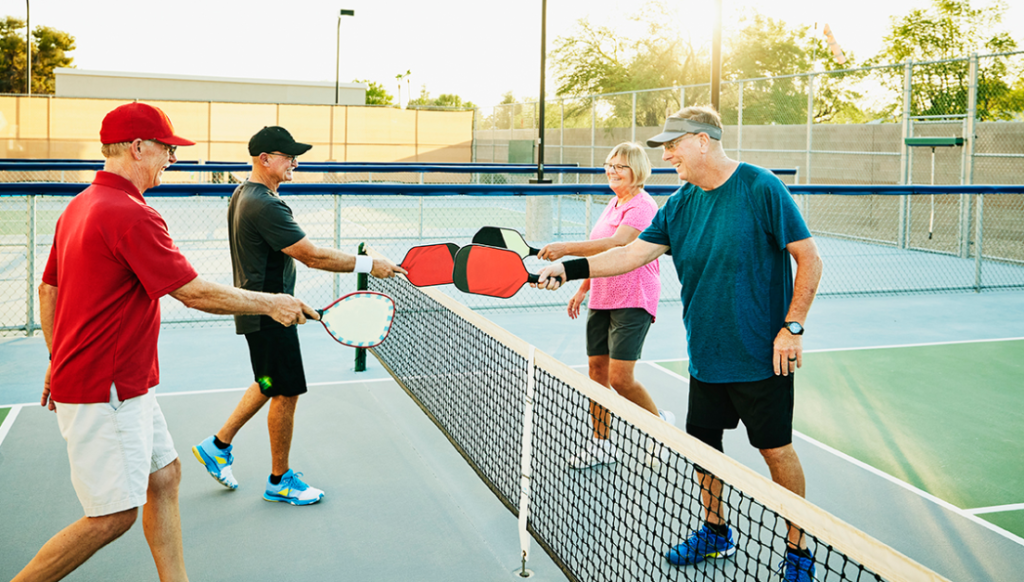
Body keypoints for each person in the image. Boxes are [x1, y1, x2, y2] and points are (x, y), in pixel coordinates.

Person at [14, 103, 317, 582]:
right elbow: (192, 293)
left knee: (165, 477)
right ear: (137, 148)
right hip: (107, 388)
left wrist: (56, 356)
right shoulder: (132, 214)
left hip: (122, 382)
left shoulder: (79, 204)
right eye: (167, 149)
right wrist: (271, 303)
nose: (171, 159)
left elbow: (47, 289)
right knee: (112, 517)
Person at [535, 106, 824, 582]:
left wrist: (792, 327)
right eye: (664, 146)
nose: (667, 154)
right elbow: (630, 253)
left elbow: (809, 258)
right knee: (703, 449)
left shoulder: (760, 187)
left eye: (674, 144)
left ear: (703, 140)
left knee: (776, 452)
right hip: (705, 356)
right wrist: (570, 269)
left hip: (761, 357)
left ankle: (798, 552)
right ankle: (716, 531)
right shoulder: (681, 204)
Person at [192, 126, 406, 506]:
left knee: (270, 380)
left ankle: (217, 445)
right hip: (269, 313)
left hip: (262, 308)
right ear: (265, 159)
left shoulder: (244, 192)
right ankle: (280, 480)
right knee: (286, 391)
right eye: (288, 156)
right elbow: (312, 255)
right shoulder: (264, 203)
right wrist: (370, 264)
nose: (295, 162)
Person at [537, 142, 674, 469]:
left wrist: (566, 249)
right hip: (602, 296)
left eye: (620, 166)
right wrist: (583, 287)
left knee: (621, 378)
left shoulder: (642, 206)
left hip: (633, 297)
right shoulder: (613, 202)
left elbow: (618, 245)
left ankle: (661, 428)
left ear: (636, 170)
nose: (611, 170)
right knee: (596, 372)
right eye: (609, 164)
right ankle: (601, 443)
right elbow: (600, 256)